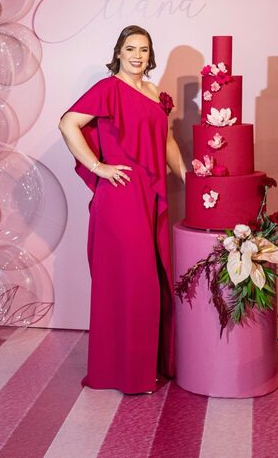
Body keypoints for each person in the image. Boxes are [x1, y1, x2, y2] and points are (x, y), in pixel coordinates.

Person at [58, 25, 187, 394]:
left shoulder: (155, 93)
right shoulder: (108, 88)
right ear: (118, 52)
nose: (137, 56)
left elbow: (166, 141)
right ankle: (128, 374)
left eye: (143, 50)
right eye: (130, 49)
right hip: (120, 198)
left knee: (153, 280)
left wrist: (188, 176)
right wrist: (98, 166)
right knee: (133, 282)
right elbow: (68, 123)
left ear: (150, 55)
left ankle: (145, 367)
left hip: (152, 195)